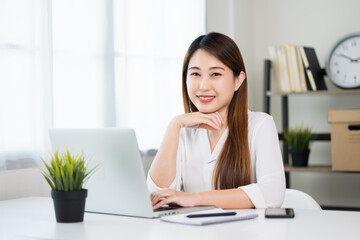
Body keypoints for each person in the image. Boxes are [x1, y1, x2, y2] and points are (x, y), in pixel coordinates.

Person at [147, 32, 285, 209]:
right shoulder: (182, 130)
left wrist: (195, 198)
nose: (204, 86)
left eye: (215, 74)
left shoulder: (260, 125)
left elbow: (272, 194)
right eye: (195, 74)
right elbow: (157, 196)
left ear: (238, 80)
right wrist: (174, 125)